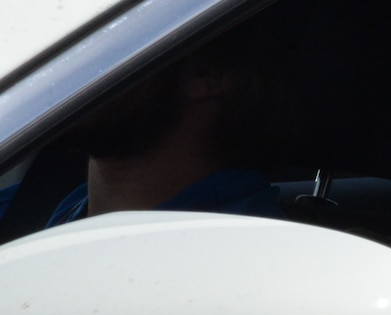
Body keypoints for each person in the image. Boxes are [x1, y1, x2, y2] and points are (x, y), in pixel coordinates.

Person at [42, 24, 290, 226]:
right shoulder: (29, 204)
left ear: (203, 75)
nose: (78, 59)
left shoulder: (238, 260)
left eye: (114, 40)